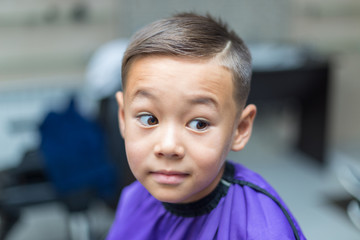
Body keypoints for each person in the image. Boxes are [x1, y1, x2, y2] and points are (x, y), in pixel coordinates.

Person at [106, 12, 306, 240]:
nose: (168, 146)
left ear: (240, 129)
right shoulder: (134, 199)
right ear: (122, 117)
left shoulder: (263, 230)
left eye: (199, 123)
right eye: (149, 119)